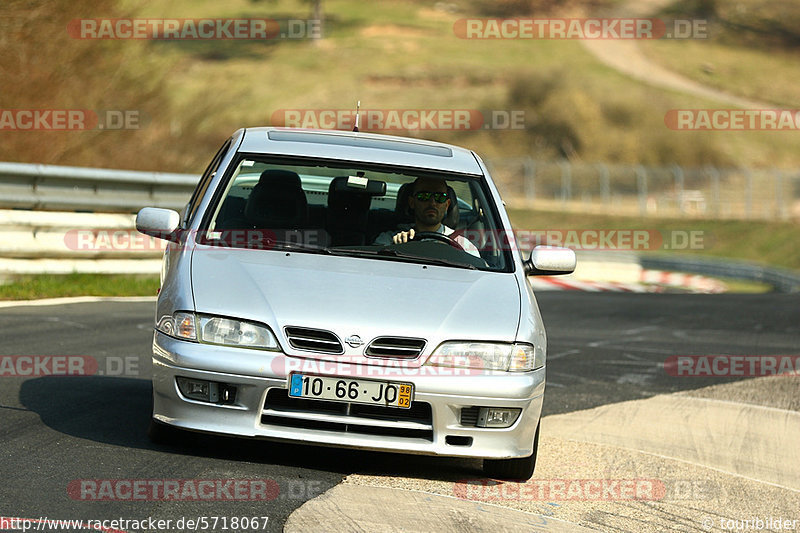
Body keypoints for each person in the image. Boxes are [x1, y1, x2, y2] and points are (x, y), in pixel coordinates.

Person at [374, 177, 481, 257]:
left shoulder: (463, 246)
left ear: (447, 204)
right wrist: (394, 248)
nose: (432, 203)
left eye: (440, 197)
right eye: (424, 196)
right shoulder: (389, 239)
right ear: (412, 202)